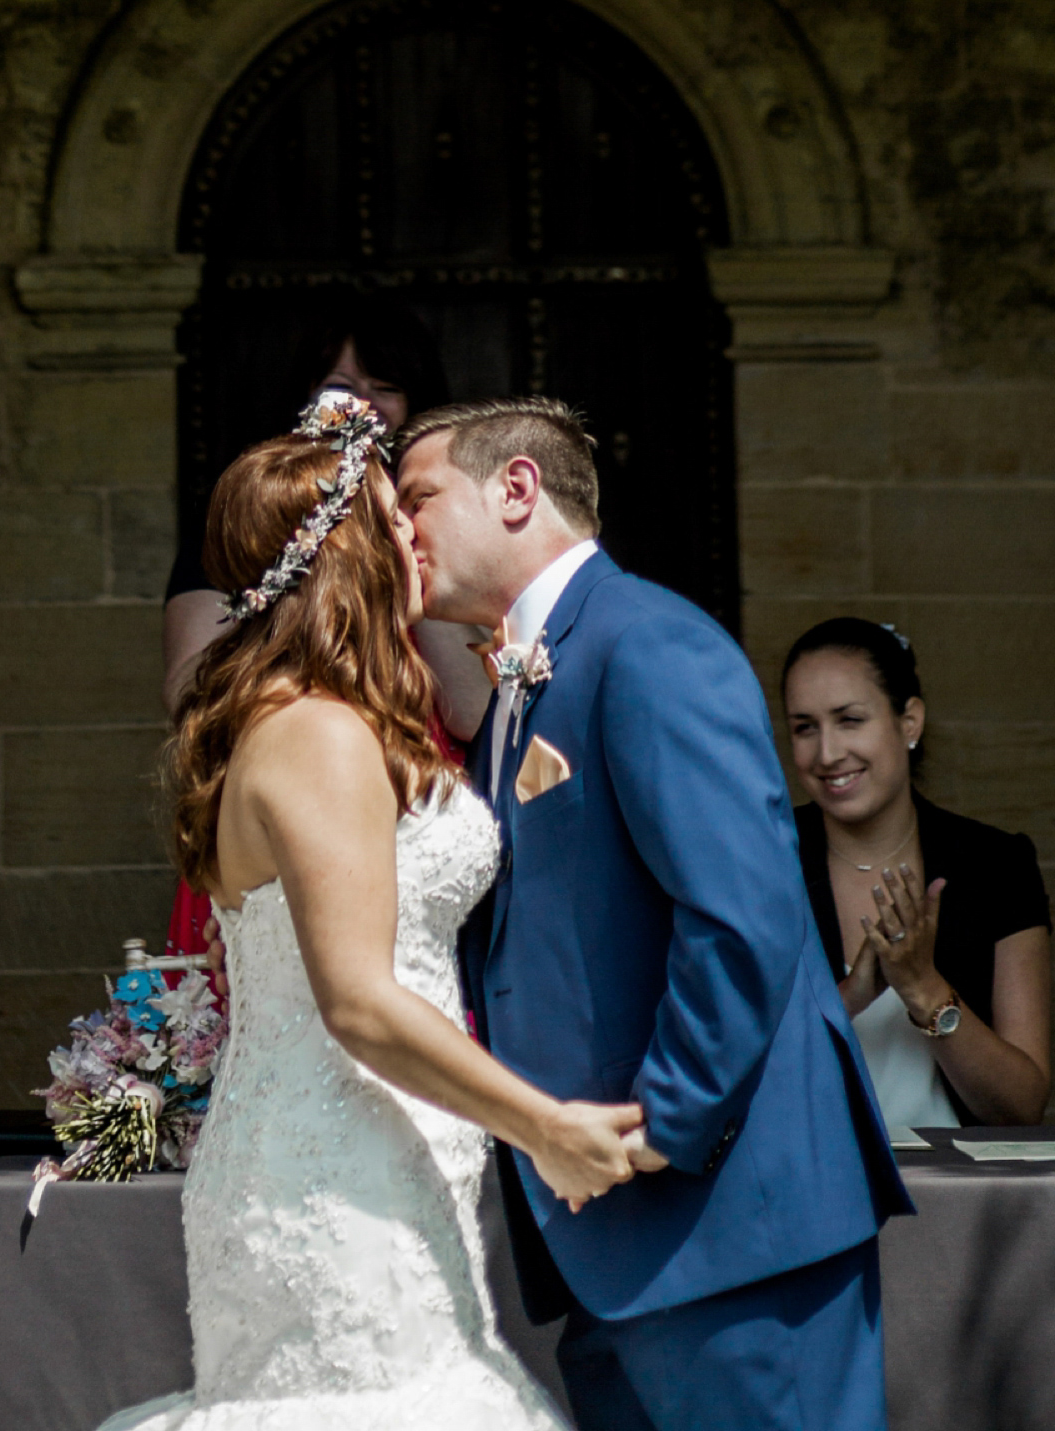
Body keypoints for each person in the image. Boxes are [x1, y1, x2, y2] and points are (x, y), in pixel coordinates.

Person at [100, 391, 642, 1431]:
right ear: (348, 551)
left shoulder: (331, 719)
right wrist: (545, 1124)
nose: (419, 531)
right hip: (330, 1168)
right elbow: (354, 996)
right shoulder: (313, 732)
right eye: (398, 514)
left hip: (375, 1145)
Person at [394, 397, 912, 1431]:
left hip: (727, 1224)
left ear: (517, 488)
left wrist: (655, 1131)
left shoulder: (652, 644)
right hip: (610, 1248)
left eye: (417, 498)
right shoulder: (512, 689)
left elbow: (741, 916)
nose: (396, 529)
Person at [161, 295, 489, 977]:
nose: (362, 406)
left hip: (412, 780)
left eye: (385, 388)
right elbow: (189, 688)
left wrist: (391, 555)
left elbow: (470, 708)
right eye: (341, 387)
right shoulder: (247, 520)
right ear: (305, 395)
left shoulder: (426, 526)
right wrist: (310, 591)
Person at [782, 617, 1051, 1130]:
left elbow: (1022, 1105)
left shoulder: (995, 864)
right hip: (802, 1189)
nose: (828, 753)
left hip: (959, 1195)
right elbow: (728, 1075)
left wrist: (923, 987)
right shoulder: (762, 863)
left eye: (850, 720)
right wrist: (852, 996)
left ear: (909, 722)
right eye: (805, 728)